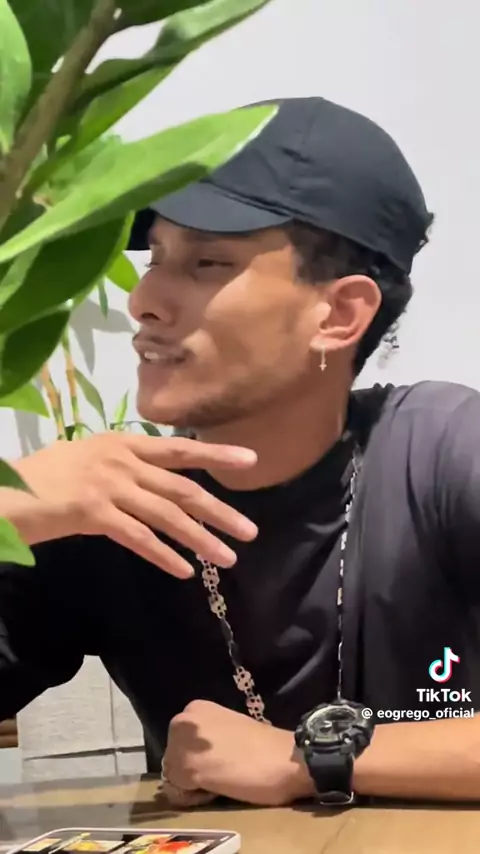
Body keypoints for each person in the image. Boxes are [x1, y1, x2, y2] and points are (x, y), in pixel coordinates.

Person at [1, 96, 480, 808]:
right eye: (155, 257)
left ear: (339, 312)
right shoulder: (115, 514)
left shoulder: (443, 451)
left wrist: (307, 759)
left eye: (206, 262)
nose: (144, 300)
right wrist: (8, 509)